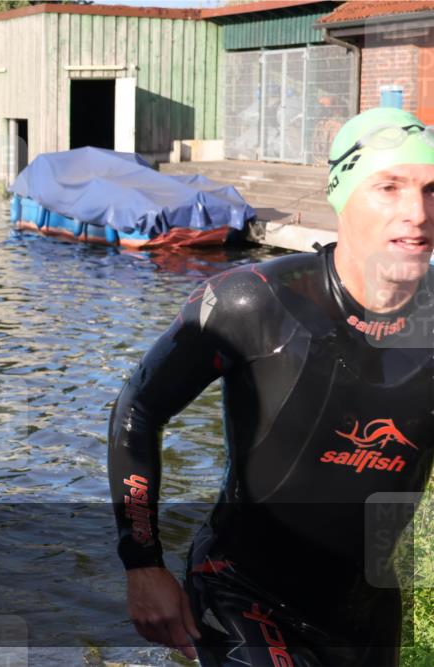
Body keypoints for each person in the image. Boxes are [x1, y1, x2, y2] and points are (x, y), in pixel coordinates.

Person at [108, 107, 433, 665]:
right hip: (243, 595)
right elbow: (139, 409)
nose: (418, 213)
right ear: (341, 196)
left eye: (433, 190)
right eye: (389, 187)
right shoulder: (252, 301)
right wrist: (143, 564)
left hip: (365, 613)